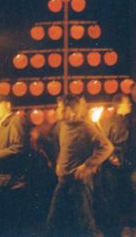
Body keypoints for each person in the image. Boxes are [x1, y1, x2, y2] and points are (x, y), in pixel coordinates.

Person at [46, 95, 113, 236]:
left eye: (60, 107)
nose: (57, 110)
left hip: (79, 181)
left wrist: (88, 165)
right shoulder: (61, 125)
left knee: (85, 223)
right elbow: (63, 146)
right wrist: (59, 161)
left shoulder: (86, 126)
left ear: (69, 110)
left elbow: (107, 147)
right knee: (53, 220)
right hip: (63, 179)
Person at [0, 94, 31, 236]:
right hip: (0, 182)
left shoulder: (14, 121)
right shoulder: (0, 125)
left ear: (8, 105)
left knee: (7, 225)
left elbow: (19, 147)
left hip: (10, 183)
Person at [97, 94, 136, 235]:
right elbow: (103, 143)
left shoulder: (130, 121)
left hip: (128, 161)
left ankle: (134, 219)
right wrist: (111, 157)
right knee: (113, 193)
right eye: (127, 102)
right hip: (112, 162)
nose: (130, 104)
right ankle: (115, 225)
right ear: (119, 105)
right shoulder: (108, 122)